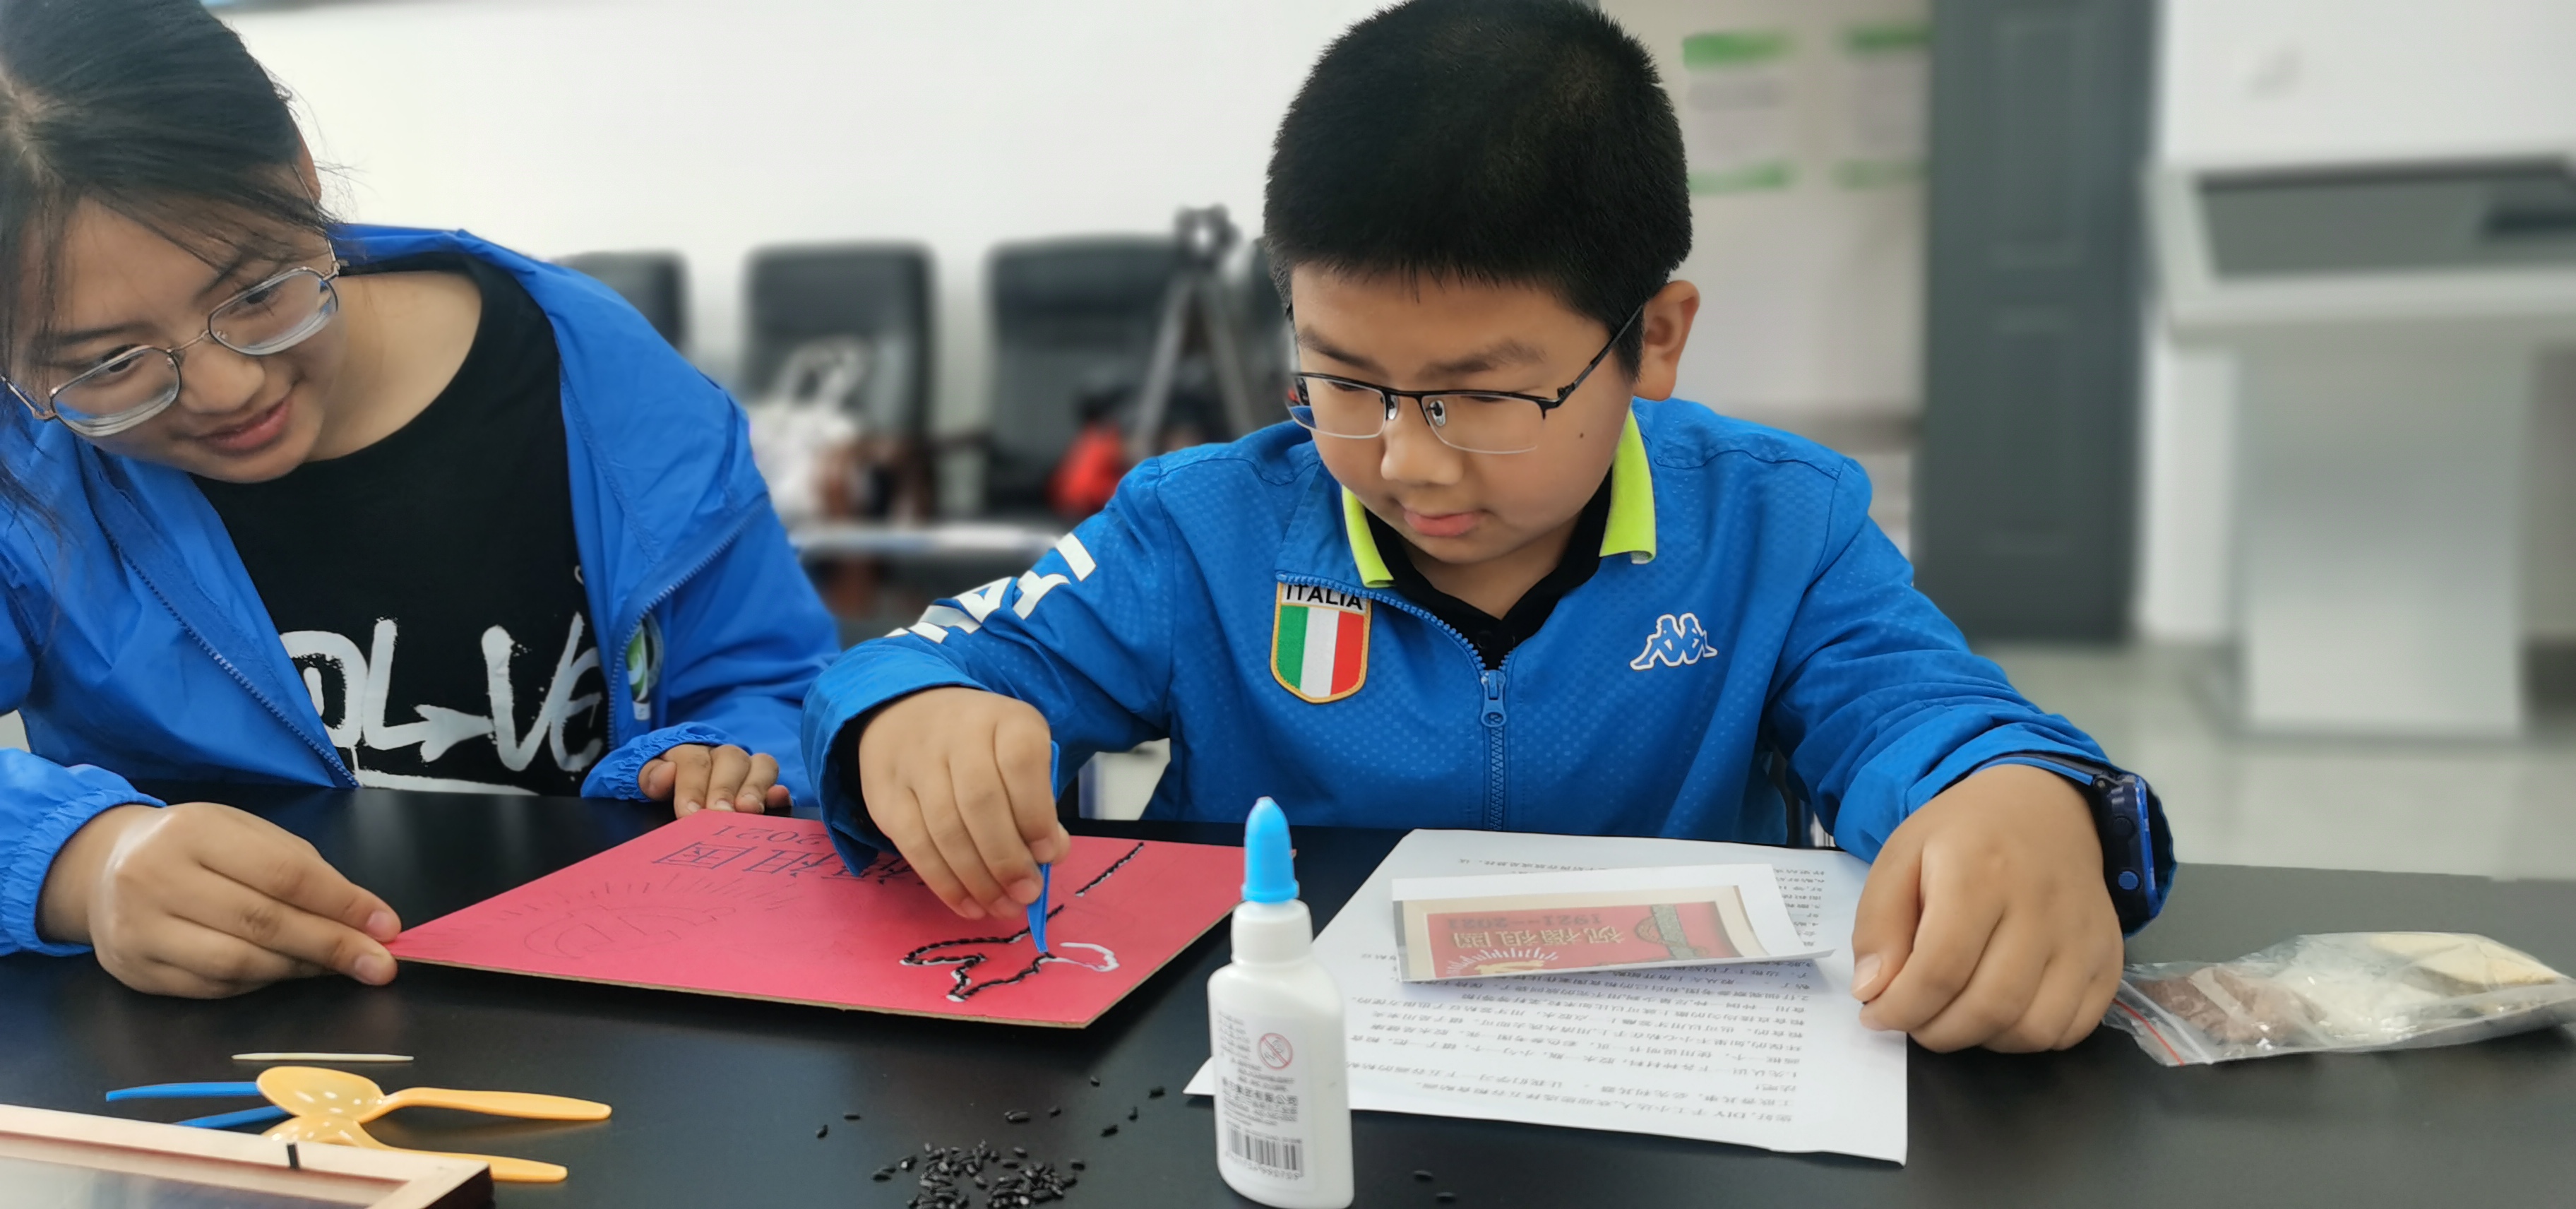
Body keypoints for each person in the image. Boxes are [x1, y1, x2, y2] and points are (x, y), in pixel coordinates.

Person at [803, 0, 2172, 1053]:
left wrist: (2023, 798)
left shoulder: (1777, 527)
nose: (1405, 459)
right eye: (1344, 380)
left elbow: (1923, 712)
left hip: (1662, 1096)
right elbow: (920, 667)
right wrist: (906, 721)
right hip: (1270, 1078)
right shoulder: (1203, 532)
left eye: (1486, 396)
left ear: (1655, 339)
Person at [0, 0, 837, 997]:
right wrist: (75, 861)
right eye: (112, 365)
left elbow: (775, 682)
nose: (228, 389)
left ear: (301, 171)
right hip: (221, 1045)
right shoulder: (26, 463)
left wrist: (720, 758)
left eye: (256, 294)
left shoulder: (598, 380)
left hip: (610, 1010)